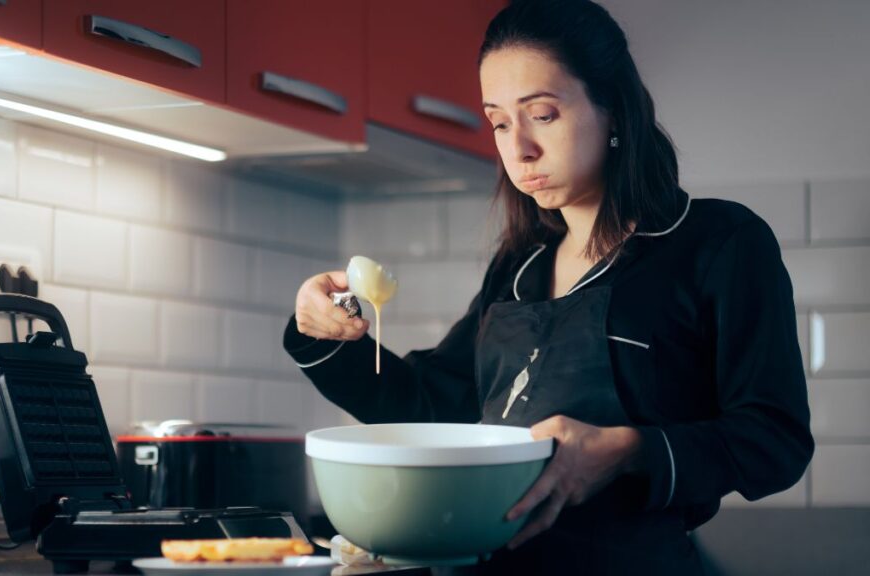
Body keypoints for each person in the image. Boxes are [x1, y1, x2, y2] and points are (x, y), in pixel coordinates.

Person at [283, 0, 814, 573]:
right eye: (501, 122)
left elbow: (773, 440)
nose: (519, 149)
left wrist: (628, 451)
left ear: (612, 108)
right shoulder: (518, 264)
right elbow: (436, 404)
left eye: (543, 114)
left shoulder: (717, 243)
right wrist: (328, 332)